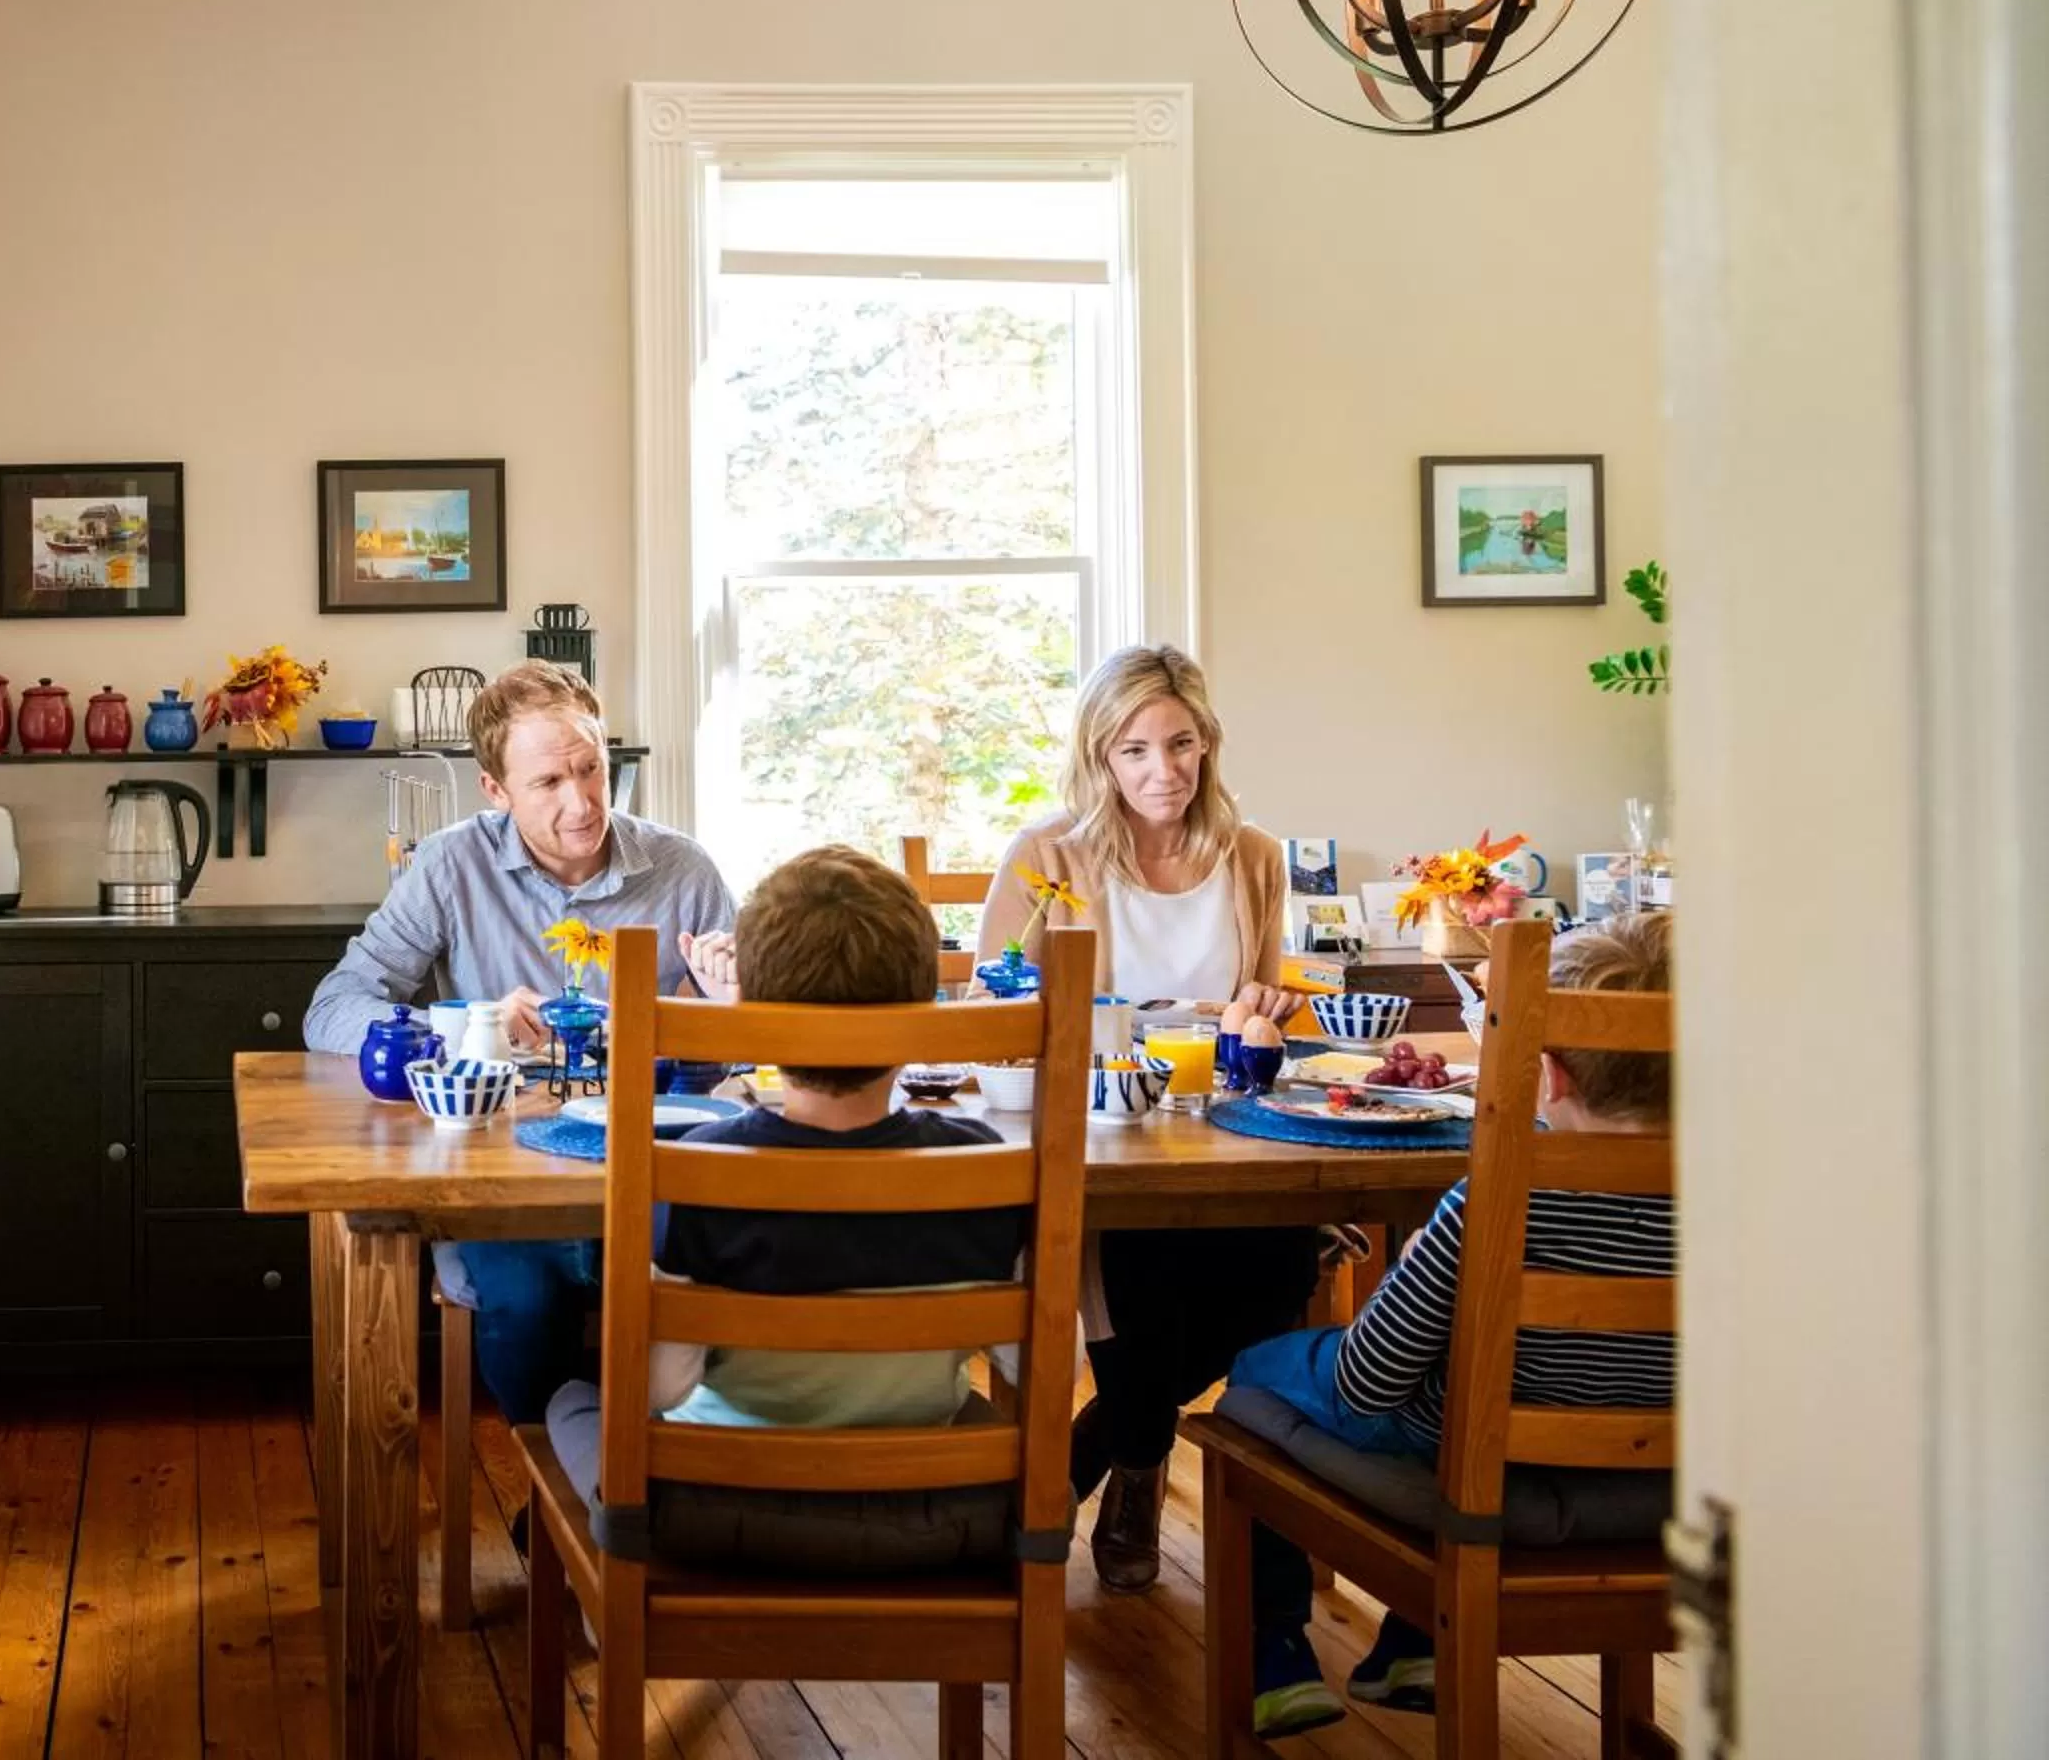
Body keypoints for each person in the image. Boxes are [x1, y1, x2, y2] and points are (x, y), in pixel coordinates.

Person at [1227, 912, 1678, 1738]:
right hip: (1669, 1490)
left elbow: (1370, 1384)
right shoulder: (1748, 1203)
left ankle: (1274, 1647)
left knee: (1257, 1370)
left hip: (1482, 1478)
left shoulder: (1503, 1200)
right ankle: (1407, 1649)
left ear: (1549, 1075)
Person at [540, 846, 1032, 1571]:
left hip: (721, 1512)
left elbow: (663, 1387)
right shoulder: (982, 1166)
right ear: (925, 1010)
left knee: (571, 1401)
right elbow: (1040, 1356)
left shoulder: (700, 1167)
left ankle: (615, 1584)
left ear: (755, 1010)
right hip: (931, 1513)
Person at [305, 662, 739, 1425]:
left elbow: (744, 1055)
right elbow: (334, 1007)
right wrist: (468, 1024)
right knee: (527, 1299)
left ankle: (649, 1477)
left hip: (653, 1175)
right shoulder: (449, 864)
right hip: (501, 1178)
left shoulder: (684, 869)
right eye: (548, 784)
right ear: (495, 791)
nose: (582, 804)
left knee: (720, 1278)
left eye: (592, 770)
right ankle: (561, 1489)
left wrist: (735, 1010)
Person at [975, 642, 1315, 1592]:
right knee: (1138, 1268)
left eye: (1179, 744)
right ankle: (1133, 1463)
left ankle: (1115, 1450)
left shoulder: (1253, 858)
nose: (1160, 771)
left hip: (1229, 1135)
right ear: (1100, 757)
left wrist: (1264, 1011)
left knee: (1278, 1273)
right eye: (1132, 751)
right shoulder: (1049, 855)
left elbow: (1263, 997)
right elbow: (992, 1010)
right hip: (1107, 1137)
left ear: (1207, 744)